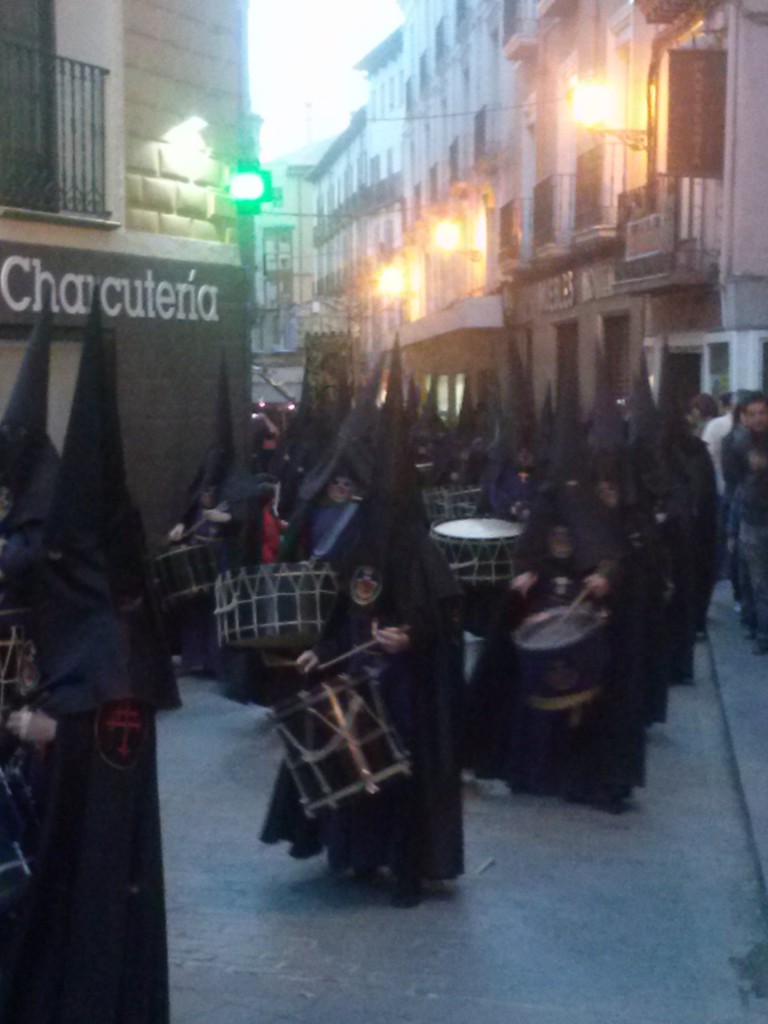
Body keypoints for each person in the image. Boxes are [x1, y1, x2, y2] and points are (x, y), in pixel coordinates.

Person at [0, 296, 180, 1024]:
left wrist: (52, 733)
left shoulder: (114, 638)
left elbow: (117, 744)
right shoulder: (87, 622)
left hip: (103, 864)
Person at [261, 344, 464, 907]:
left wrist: (413, 636)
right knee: (351, 762)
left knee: (399, 771)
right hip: (351, 669)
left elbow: (442, 618)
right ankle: (354, 854)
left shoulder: (419, 548)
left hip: (402, 681)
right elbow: (342, 604)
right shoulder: (356, 538)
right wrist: (319, 647)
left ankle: (406, 868)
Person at [727, 393, 768, 654]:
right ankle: (762, 631)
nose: (758, 419)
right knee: (758, 582)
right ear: (744, 416)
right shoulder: (738, 443)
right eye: (752, 414)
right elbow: (732, 482)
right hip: (753, 520)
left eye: (762, 413)